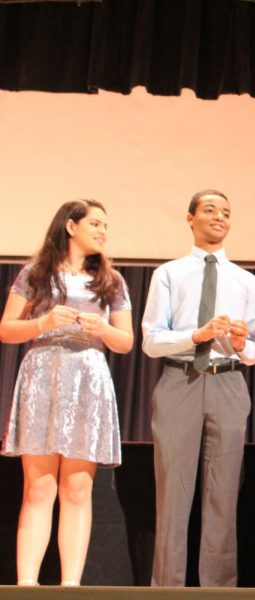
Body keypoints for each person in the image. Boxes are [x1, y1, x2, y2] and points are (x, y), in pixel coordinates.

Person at [0, 200, 133, 586]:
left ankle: (70, 587)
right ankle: (27, 586)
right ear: (71, 226)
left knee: (77, 487)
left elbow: (124, 342)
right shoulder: (36, 273)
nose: (103, 230)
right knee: (39, 486)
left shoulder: (111, 280)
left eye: (106, 224)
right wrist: (43, 322)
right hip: (43, 375)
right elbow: (7, 329)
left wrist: (101, 329)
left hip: (88, 378)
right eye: (95, 223)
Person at [141, 190, 255, 587]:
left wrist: (244, 342)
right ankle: (167, 590)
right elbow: (150, 340)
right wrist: (197, 334)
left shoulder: (246, 280)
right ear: (190, 218)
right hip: (181, 380)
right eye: (210, 210)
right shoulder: (169, 273)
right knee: (173, 495)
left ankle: (219, 591)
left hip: (228, 381)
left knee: (223, 493)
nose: (219, 217)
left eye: (226, 212)